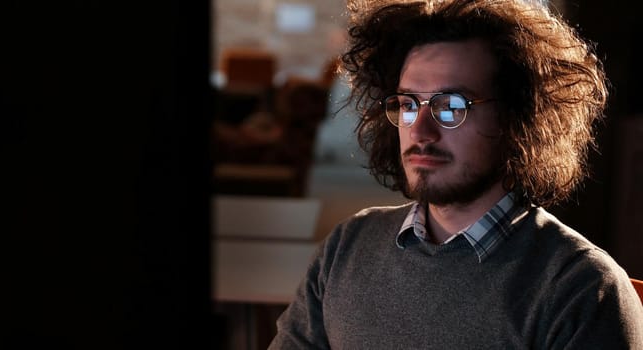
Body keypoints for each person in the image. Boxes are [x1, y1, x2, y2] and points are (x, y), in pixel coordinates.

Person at [268, 0, 643, 348]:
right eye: (409, 104)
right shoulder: (346, 248)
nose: (420, 131)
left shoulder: (580, 288)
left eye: (451, 106)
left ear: (516, 119)